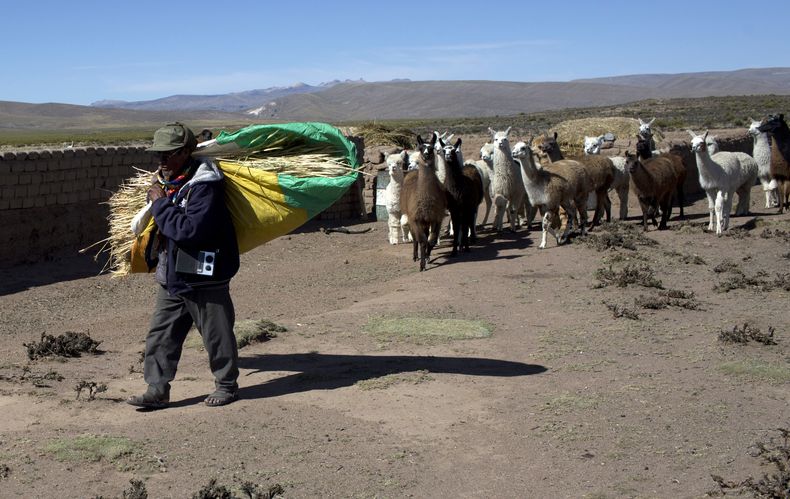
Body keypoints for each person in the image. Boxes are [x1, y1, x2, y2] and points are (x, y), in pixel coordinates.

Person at [127, 122, 241, 409]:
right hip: (173, 273)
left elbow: (188, 231)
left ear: (186, 152)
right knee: (161, 334)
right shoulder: (171, 183)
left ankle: (226, 385)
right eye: (158, 155)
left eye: (168, 154)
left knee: (216, 332)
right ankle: (157, 388)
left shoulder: (205, 186)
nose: (161, 161)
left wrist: (159, 203)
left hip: (203, 273)